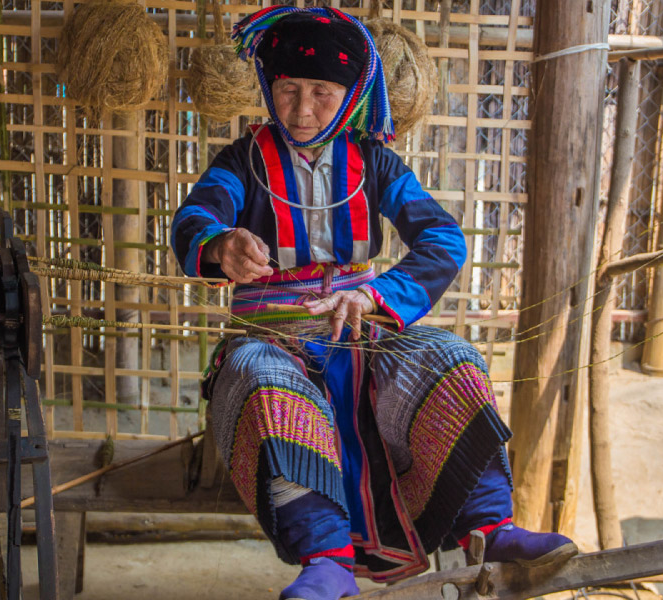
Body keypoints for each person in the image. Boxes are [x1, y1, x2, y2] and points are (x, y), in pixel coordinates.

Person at [172, 6, 577, 600]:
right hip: (272, 333)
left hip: (363, 326)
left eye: (321, 92)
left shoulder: (373, 164)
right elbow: (193, 220)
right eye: (287, 89)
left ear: (351, 93)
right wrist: (220, 244)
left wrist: (375, 293)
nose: (302, 109)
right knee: (263, 382)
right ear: (268, 86)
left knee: (451, 357)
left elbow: (441, 239)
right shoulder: (243, 161)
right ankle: (326, 559)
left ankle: (492, 526)